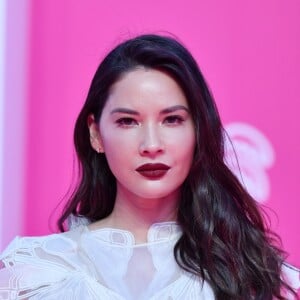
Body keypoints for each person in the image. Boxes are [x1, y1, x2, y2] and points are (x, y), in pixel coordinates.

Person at [0, 34, 299, 300]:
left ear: (199, 129)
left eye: (172, 120)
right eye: (128, 121)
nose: (151, 144)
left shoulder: (252, 273)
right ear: (95, 133)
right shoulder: (37, 274)